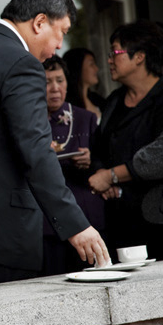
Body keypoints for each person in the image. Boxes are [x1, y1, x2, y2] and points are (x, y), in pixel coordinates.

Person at [0, 0, 110, 285]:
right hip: (3, 232)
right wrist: (75, 224)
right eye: (61, 32)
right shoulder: (22, 63)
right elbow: (35, 148)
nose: (60, 44)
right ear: (39, 22)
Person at [89, 27, 163, 261]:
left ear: (140, 56)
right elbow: (98, 146)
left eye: (115, 52)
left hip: (161, 218)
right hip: (118, 212)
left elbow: (156, 159)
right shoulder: (114, 100)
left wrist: (112, 175)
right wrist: (102, 173)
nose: (109, 59)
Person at [40, 55, 105, 275]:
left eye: (60, 80)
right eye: (47, 82)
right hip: (47, 218)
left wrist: (90, 161)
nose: (55, 88)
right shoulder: (31, 121)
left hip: (85, 211)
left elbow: (104, 161)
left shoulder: (84, 117)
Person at [62, 47, 106, 122]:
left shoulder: (98, 100)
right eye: (91, 64)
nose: (96, 69)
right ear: (77, 68)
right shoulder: (66, 106)